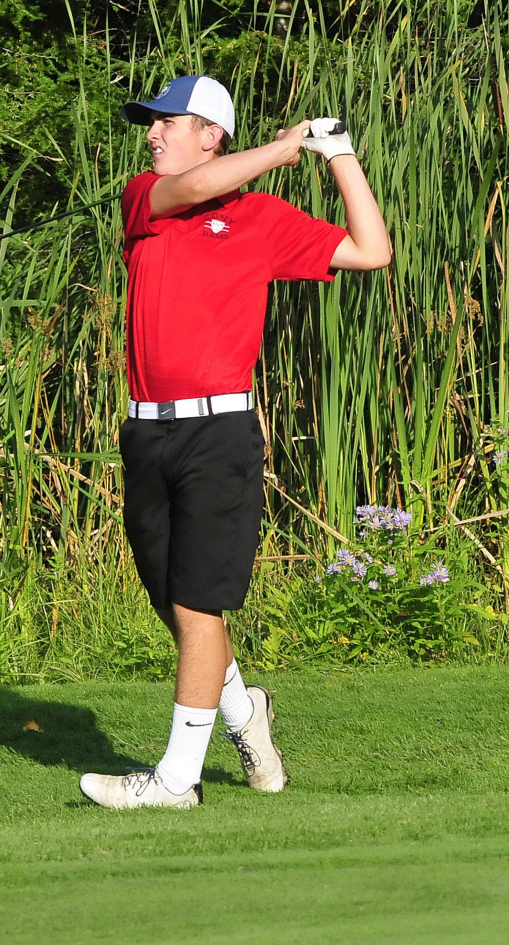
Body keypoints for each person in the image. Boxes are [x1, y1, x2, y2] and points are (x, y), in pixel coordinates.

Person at [80, 75, 391, 809]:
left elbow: (372, 250)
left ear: (209, 133)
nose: (151, 135)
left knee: (197, 604)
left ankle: (175, 780)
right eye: (151, 125)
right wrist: (282, 146)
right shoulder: (145, 201)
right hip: (146, 431)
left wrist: (336, 154)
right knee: (174, 603)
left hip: (220, 432)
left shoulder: (262, 219)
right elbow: (192, 191)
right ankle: (246, 715)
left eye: (167, 123)